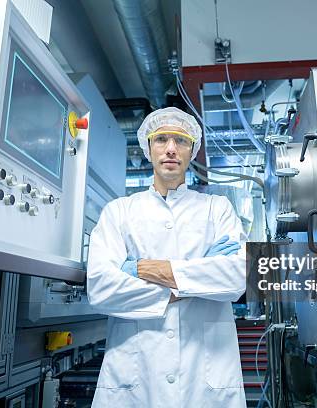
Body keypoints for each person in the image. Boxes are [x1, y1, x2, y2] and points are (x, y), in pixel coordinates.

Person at [86, 107, 247, 407]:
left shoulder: (218, 209)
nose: (171, 148)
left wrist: (138, 270)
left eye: (181, 140)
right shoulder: (119, 212)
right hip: (135, 380)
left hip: (206, 382)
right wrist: (199, 276)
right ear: (148, 148)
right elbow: (100, 288)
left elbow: (235, 278)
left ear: (192, 150)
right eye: (161, 139)